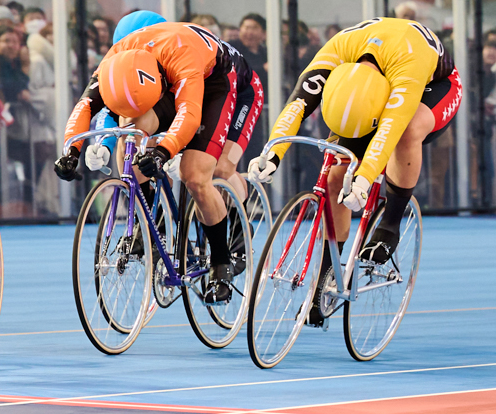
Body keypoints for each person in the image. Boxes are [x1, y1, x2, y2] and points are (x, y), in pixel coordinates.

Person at [249, 16, 460, 319]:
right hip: (366, 84)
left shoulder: (407, 68)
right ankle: (326, 274)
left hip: (434, 84)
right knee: (336, 177)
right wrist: (272, 153)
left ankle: (390, 225)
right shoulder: (334, 53)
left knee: (408, 131)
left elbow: (387, 131)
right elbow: (296, 106)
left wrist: (363, 180)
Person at [53, 19, 262, 303]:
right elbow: (85, 106)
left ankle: (222, 262)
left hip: (221, 82)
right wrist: (71, 150)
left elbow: (188, 114)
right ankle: (153, 226)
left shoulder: (183, 59)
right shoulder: (112, 61)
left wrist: (163, 151)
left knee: (198, 175)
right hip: (170, 75)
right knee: (131, 135)